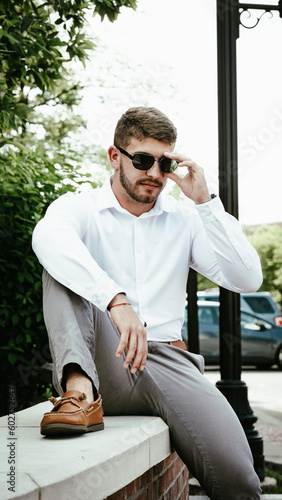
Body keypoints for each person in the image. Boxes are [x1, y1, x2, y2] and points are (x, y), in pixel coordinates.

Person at [32, 106, 262, 499]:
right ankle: (78, 393)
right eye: (142, 160)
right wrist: (116, 301)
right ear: (114, 156)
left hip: (168, 362)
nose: (155, 173)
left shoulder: (186, 218)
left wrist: (206, 203)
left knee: (238, 478)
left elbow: (246, 278)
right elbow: (47, 239)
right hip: (103, 362)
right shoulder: (79, 207)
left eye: (165, 162)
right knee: (60, 263)